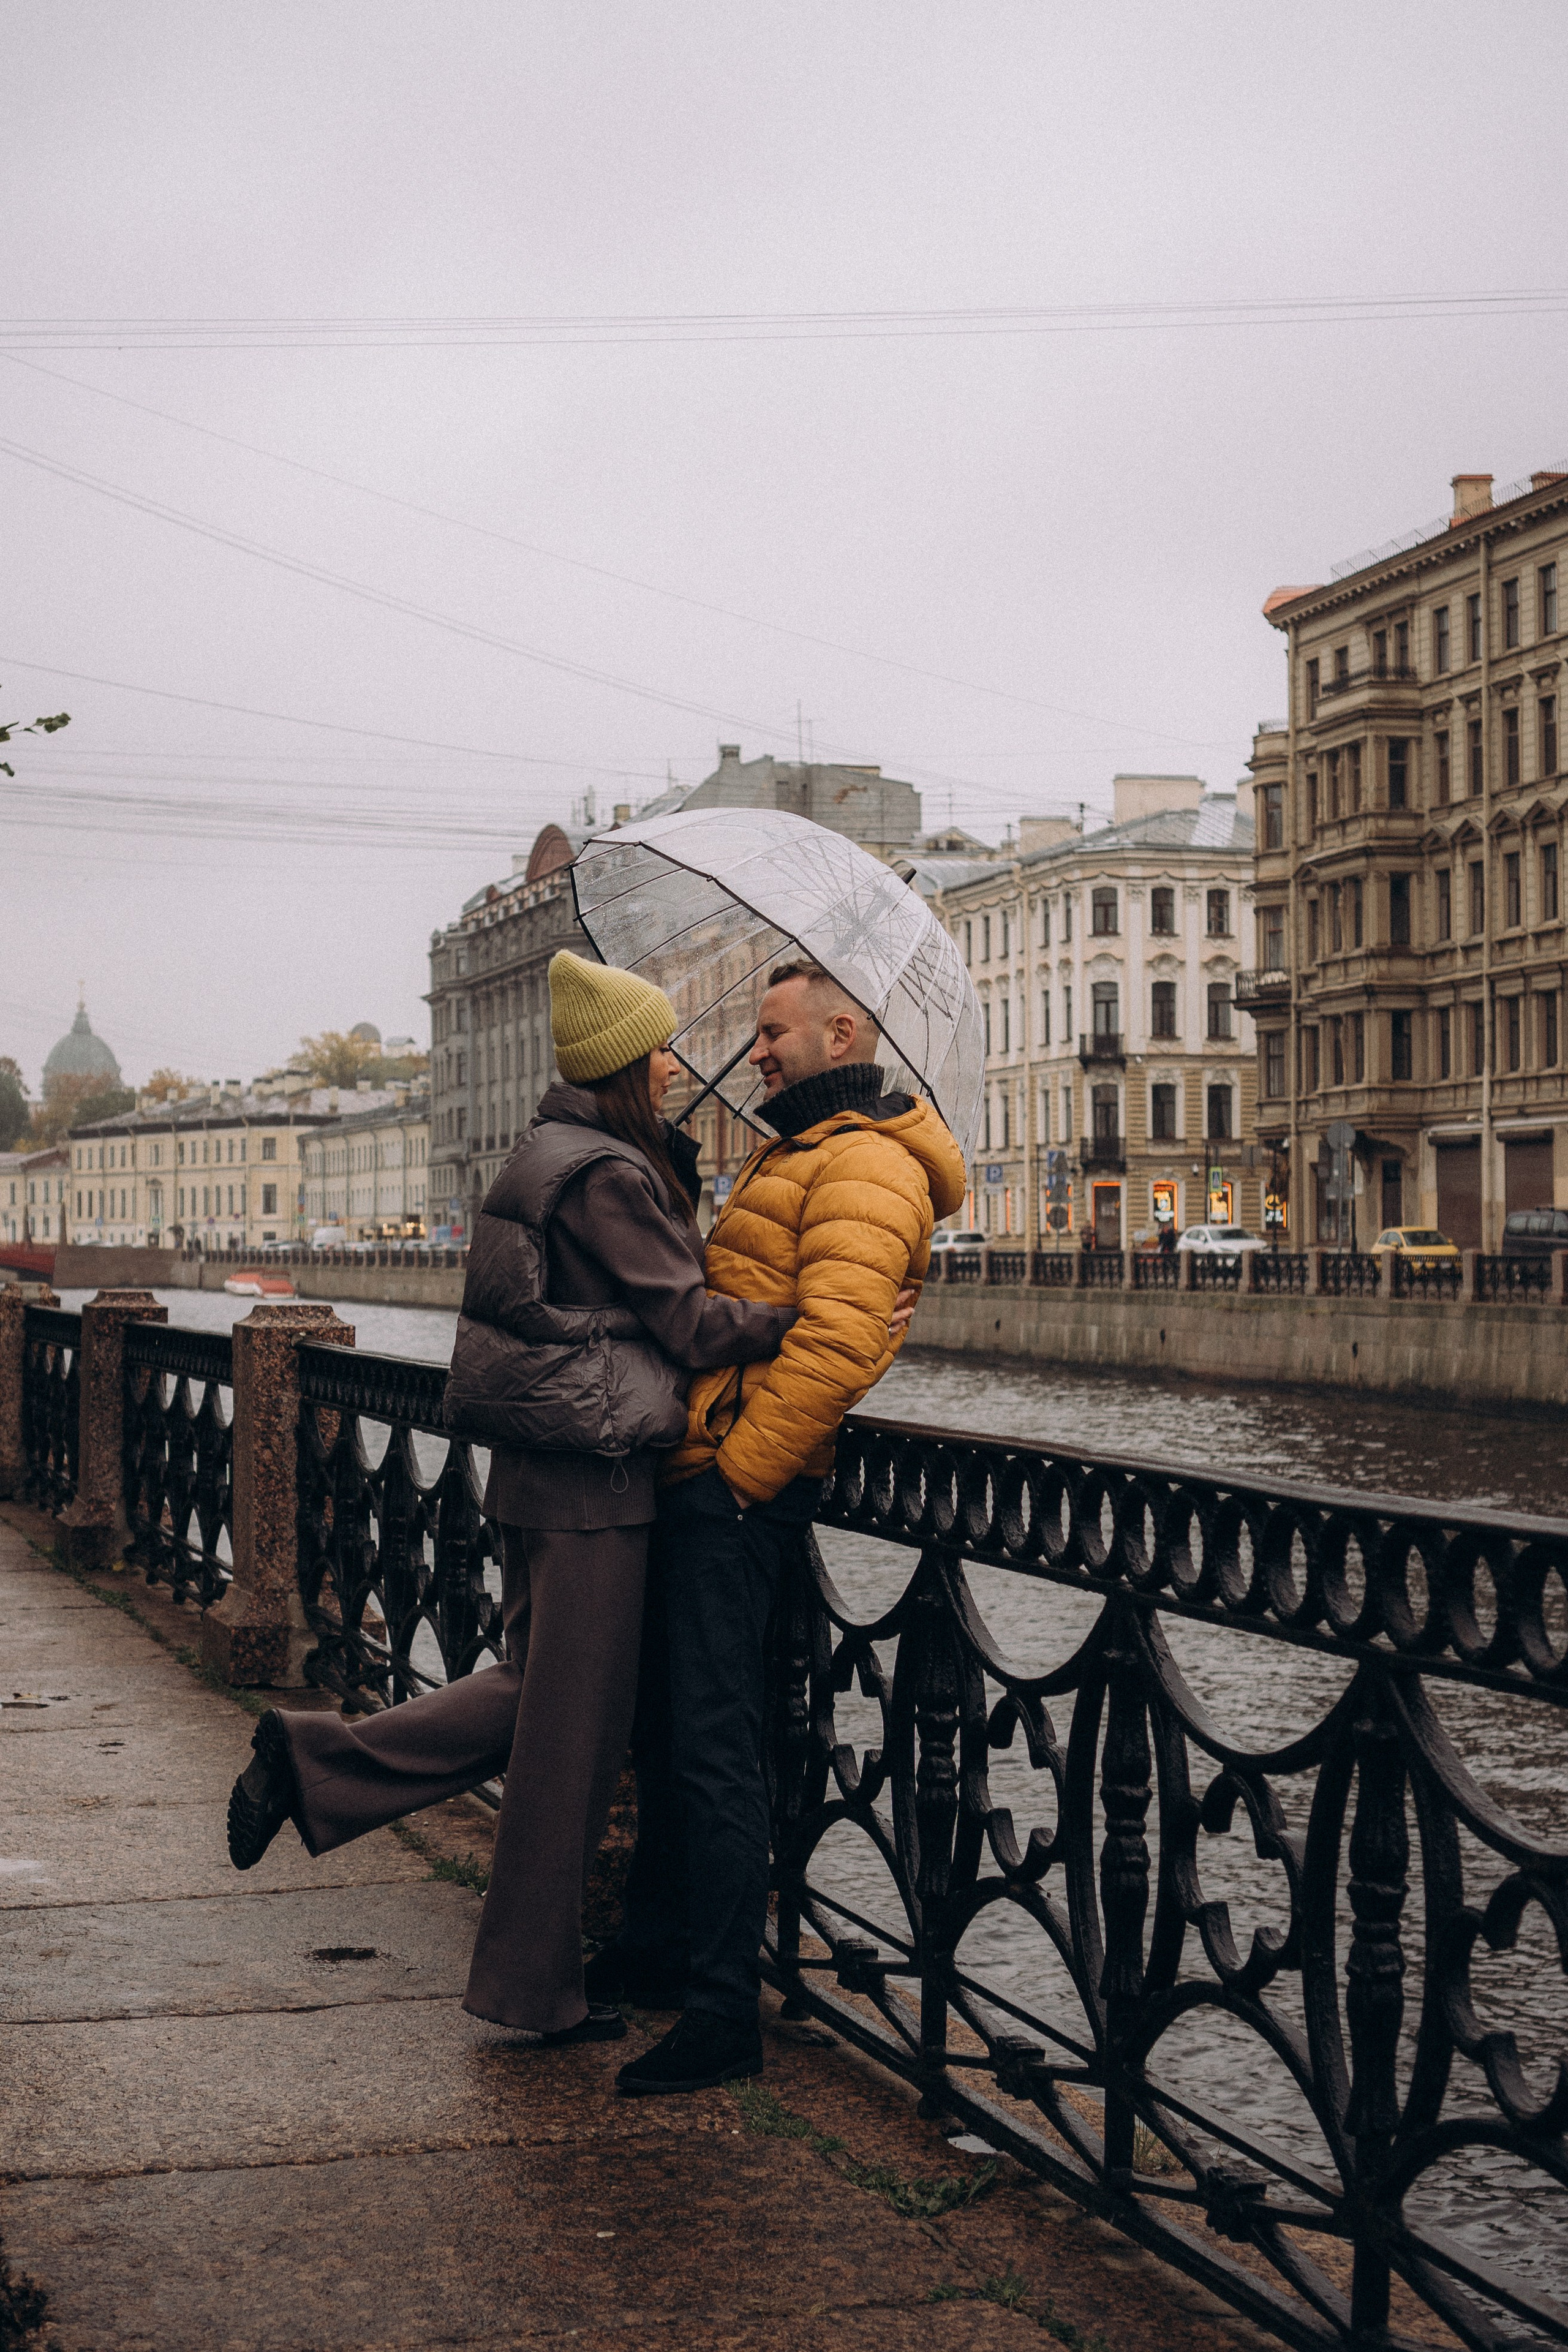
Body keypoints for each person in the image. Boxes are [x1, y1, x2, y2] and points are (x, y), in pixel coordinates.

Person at [225, 951, 796, 2046]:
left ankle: (316, 1768)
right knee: (570, 1742)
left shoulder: (548, 1155)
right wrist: (793, 1309)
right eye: (663, 1047)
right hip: (597, 1480)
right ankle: (529, 1986)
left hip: (535, 1473)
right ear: (627, 1062)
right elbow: (688, 1322)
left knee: (542, 1698)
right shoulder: (609, 1176)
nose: (679, 1065)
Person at [600, 957, 967, 2097]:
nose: (755, 1051)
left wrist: (739, 1478)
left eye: (774, 1032)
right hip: (706, 1472)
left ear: (841, 1032)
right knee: (671, 1732)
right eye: (757, 1034)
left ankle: (722, 2016)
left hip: (736, 1494)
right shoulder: (803, 1148)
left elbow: (840, 1346)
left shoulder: (865, 1162)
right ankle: (663, 1956)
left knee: (717, 1749)